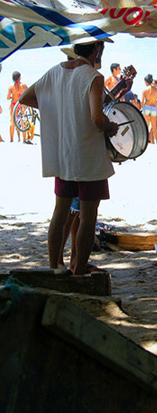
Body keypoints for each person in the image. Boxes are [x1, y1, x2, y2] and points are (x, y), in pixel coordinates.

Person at [19, 38, 118, 275]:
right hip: (88, 157)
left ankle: (54, 267)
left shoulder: (54, 72)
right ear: (96, 48)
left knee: (60, 212)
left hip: (63, 154)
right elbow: (96, 118)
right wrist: (109, 126)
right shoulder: (93, 76)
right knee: (87, 217)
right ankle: (78, 272)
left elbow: (25, 98)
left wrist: (57, 108)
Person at [7, 71, 28, 143]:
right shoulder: (24, 86)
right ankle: (24, 139)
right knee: (23, 122)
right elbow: (28, 93)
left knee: (12, 122)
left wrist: (13, 96)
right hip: (21, 104)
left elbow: (8, 97)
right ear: (19, 77)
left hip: (13, 104)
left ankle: (11, 140)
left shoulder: (11, 88)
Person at [141, 74, 157, 143]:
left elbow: (142, 101)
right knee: (154, 126)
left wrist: (141, 107)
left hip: (146, 107)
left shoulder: (145, 91)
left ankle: (146, 140)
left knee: (146, 125)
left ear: (146, 82)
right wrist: (156, 100)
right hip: (153, 108)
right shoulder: (156, 89)